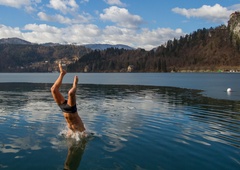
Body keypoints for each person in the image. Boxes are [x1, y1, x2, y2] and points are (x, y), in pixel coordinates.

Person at [51, 63, 86, 137]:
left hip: (65, 110)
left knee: (54, 90)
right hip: (70, 110)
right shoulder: (81, 131)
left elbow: (83, 134)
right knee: (69, 92)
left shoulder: (80, 132)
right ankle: (62, 74)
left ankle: (73, 84)